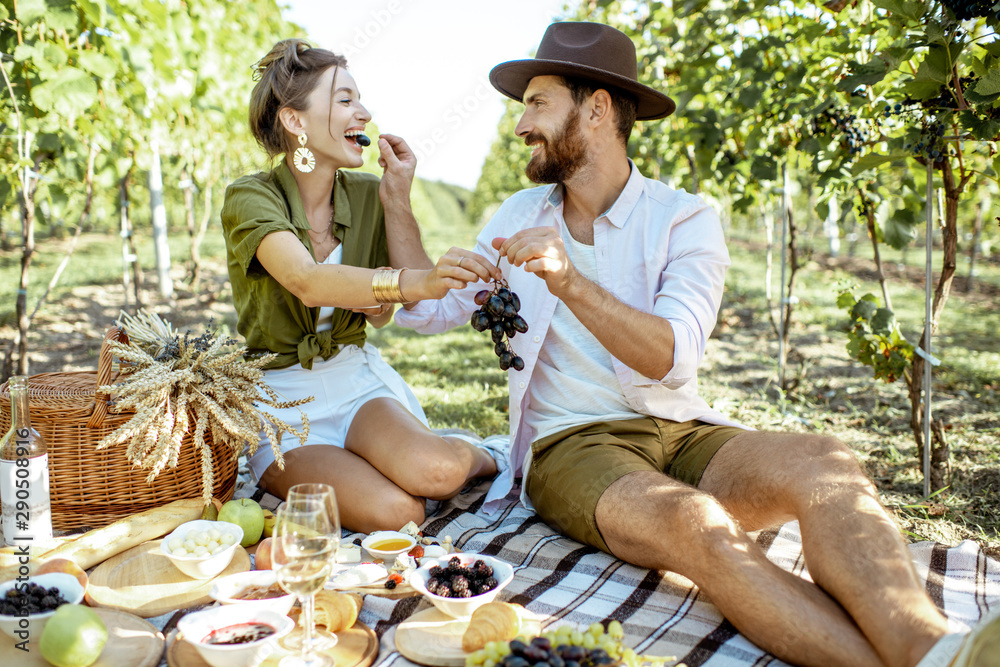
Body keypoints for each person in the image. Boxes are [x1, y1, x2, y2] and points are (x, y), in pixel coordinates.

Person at [394, 22, 999, 667]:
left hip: (677, 427)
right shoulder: (519, 214)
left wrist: (568, 280)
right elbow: (427, 312)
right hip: (570, 443)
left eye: (538, 102)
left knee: (828, 459)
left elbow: (673, 356)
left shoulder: (684, 218)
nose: (521, 125)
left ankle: (930, 647)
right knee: (695, 524)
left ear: (596, 109)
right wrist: (399, 202)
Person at [220, 39, 505, 534]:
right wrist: (423, 280)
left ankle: (489, 454)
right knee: (400, 514)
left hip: (355, 383)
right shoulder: (250, 196)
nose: (365, 113)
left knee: (438, 473)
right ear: (295, 121)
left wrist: (396, 200)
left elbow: (380, 315)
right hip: (280, 403)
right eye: (346, 99)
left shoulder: (367, 195)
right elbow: (307, 282)